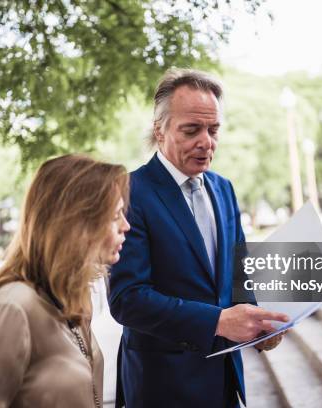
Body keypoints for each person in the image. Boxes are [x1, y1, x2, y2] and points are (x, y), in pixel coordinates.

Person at [108, 68, 288, 408]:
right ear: (159, 132)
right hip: (161, 387)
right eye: (192, 130)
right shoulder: (130, 191)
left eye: (214, 129)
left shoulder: (224, 189)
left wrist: (262, 324)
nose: (207, 141)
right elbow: (127, 299)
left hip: (225, 383)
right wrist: (218, 322)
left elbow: (239, 276)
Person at [0, 154, 130, 408]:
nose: (126, 226)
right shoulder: (11, 308)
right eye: (115, 216)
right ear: (76, 224)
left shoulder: (74, 302)